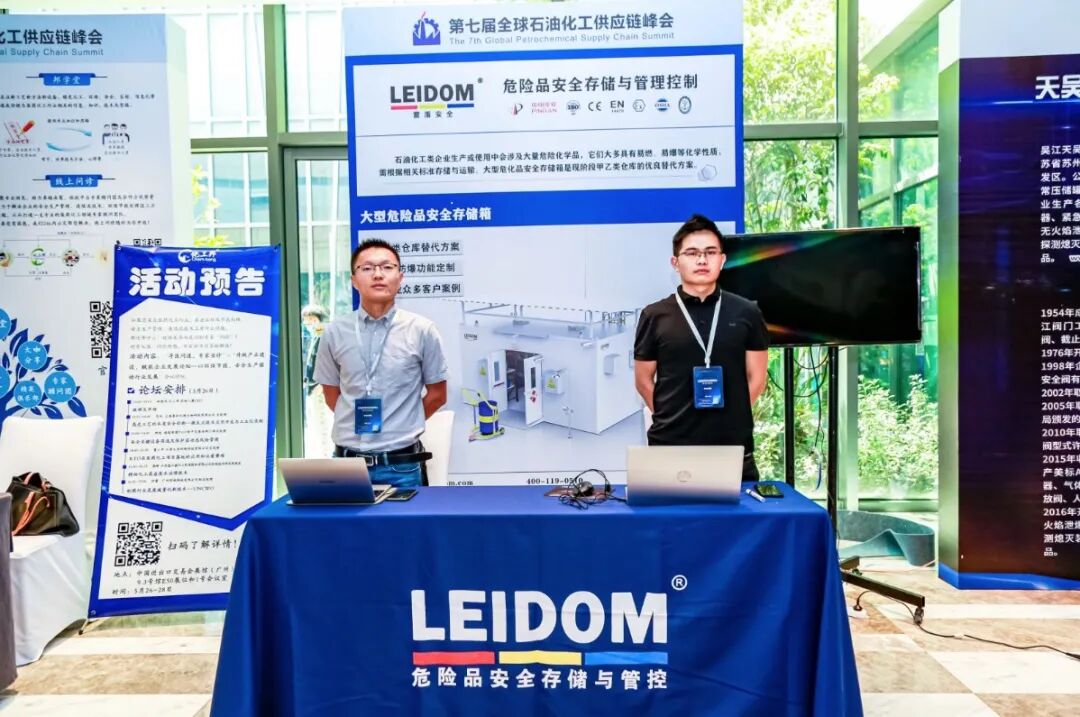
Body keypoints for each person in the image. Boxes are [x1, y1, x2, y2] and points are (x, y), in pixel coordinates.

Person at [633, 214, 770, 481]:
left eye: (710, 252)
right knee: (671, 510)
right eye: (692, 253)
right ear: (675, 262)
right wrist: (670, 417)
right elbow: (643, 380)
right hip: (670, 448)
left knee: (738, 510)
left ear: (722, 260)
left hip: (732, 448)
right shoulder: (654, 315)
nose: (702, 260)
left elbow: (757, 379)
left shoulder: (747, 312)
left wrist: (730, 416)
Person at [314, 238, 448, 488]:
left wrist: (402, 422)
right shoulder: (334, 332)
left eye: (387, 267)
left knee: (407, 518)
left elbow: (438, 395)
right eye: (367, 268)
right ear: (354, 280)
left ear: (400, 277)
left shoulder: (422, 330)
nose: (377, 274)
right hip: (346, 464)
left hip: (402, 465)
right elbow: (332, 396)